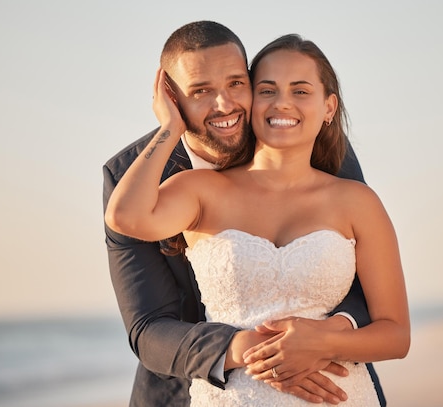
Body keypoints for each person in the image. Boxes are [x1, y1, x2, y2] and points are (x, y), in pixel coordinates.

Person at [105, 28, 410, 407]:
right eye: (200, 91)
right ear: (171, 96)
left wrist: (326, 337)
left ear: (328, 107)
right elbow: (148, 326)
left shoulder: (344, 182)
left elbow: (378, 303)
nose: (224, 104)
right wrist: (248, 348)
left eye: (236, 84)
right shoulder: (177, 184)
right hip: (203, 386)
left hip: (336, 389)